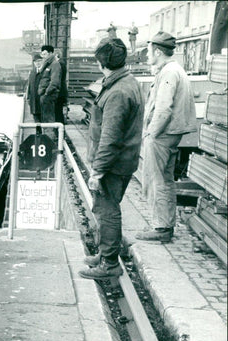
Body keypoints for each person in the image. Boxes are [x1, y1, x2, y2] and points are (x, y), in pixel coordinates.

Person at [79, 37, 143, 280]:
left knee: (107, 212)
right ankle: (105, 253)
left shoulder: (117, 92)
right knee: (104, 208)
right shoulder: (125, 81)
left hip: (113, 165)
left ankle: (109, 264)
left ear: (101, 63)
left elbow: (110, 138)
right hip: (122, 161)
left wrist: (97, 171)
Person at [137, 32, 196, 243]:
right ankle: (165, 224)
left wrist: (150, 134)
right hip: (171, 134)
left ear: (158, 51)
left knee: (156, 180)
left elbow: (163, 110)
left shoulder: (169, 73)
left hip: (162, 134)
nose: (146, 56)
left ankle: (161, 228)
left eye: (149, 52)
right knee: (166, 180)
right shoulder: (173, 70)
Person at [36, 45, 62, 126]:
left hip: (49, 95)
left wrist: (47, 93)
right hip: (44, 95)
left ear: (51, 53)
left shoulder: (55, 64)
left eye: (45, 54)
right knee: (45, 118)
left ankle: (50, 137)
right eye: (42, 54)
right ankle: (47, 136)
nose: (43, 56)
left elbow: (55, 81)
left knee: (48, 119)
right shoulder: (47, 64)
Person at [26, 53, 43, 122]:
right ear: (34, 63)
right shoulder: (32, 73)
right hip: (33, 99)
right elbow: (29, 86)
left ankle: (43, 131)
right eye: (36, 62)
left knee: (43, 117)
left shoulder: (44, 72)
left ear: (42, 61)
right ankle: (38, 131)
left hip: (41, 99)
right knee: (35, 117)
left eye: (39, 61)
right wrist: (28, 97)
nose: (37, 63)